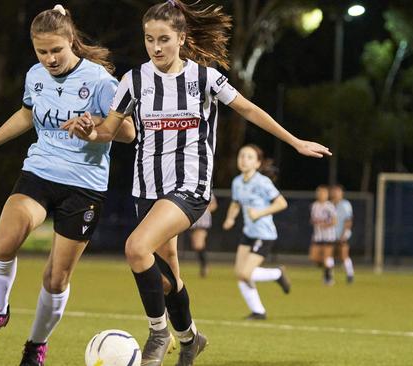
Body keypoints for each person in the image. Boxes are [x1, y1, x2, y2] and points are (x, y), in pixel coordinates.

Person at [63, 1, 330, 364]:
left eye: (164, 39)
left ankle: (159, 333)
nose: (156, 47)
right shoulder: (134, 80)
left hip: (190, 186)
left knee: (135, 248)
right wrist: (88, 130)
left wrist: (295, 141)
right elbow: (110, 130)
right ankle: (190, 339)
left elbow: (249, 109)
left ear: (182, 38)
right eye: (148, 39)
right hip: (147, 189)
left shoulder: (204, 78)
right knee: (168, 275)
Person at [0, 5, 134, 366]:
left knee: (56, 277)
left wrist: (93, 128)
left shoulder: (99, 82)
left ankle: (36, 346)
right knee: (5, 240)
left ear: (71, 42)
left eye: (56, 51)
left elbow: (127, 132)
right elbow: (26, 113)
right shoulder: (35, 76)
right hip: (40, 172)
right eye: (42, 52)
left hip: (84, 187)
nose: (49, 59)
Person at [222, 145, 291, 320]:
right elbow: (236, 203)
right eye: (241, 155)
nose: (244, 159)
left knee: (246, 273)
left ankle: (277, 273)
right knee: (240, 274)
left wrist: (259, 213)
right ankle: (258, 311)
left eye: (249, 157)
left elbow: (282, 203)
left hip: (264, 234)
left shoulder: (262, 182)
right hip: (248, 233)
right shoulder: (237, 181)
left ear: (258, 163)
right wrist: (230, 218)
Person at [309, 185, 338, 285]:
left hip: (328, 236)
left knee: (326, 257)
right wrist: (315, 222)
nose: (321, 194)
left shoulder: (329, 206)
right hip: (317, 236)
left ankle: (328, 277)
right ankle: (328, 268)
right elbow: (313, 220)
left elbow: (334, 221)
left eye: (323, 193)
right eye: (319, 192)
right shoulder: (314, 205)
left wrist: (325, 224)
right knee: (314, 257)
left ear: (327, 194)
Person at [330, 184, 355, 283]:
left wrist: (344, 234)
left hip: (342, 234)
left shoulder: (345, 204)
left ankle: (350, 274)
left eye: (338, 192)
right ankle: (329, 276)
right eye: (334, 191)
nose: (335, 193)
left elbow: (348, 220)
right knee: (329, 255)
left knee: (344, 254)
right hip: (330, 235)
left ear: (342, 193)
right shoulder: (329, 204)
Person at [188, 193, 217, 277]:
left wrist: (204, 210)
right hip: (192, 220)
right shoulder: (190, 189)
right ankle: (203, 265)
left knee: (198, 245)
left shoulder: (207, 190)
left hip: (202, 221)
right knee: (195, 245)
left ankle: (205, 266)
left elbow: (214, 205)